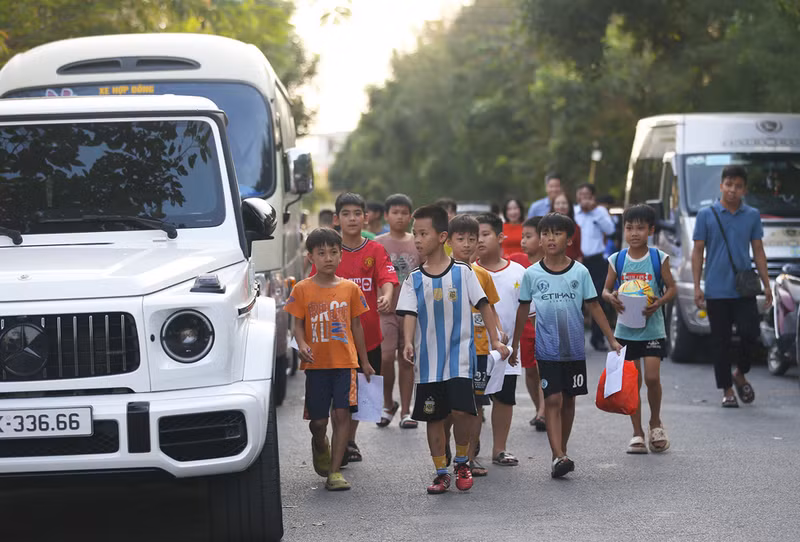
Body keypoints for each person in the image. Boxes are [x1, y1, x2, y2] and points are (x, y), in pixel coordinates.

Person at [397, 205, 509, 494]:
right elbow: (409, 314)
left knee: (462, 411)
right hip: (428, 362)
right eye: (415, 234)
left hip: (461, 358)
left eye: (423, 233)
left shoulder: (463, 272)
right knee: (434, 417)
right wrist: (407, 342)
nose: (417, 239)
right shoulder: (414, 279)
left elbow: (484, 305)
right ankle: (440, 473)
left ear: (442, 237)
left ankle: (461, 461)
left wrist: (496, 340)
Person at [511, 213, 620, 478]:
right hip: (546, 349)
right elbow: (523, 309)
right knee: (553, 399)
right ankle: (558, 454)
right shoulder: (532, 274)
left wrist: (611, 338)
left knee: (569, 400)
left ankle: (561, 451)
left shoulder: (580, 272)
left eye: (557, 233)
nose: (551, 238)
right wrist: (514, 344)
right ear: (540, 239)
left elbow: (594, 306)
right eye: (545, 233)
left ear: (569, 240)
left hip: (574, 349)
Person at [284, 228, 375, 491]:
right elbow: (296, 325)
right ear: (310, 257)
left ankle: (334, 472)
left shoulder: (350, 289)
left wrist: (365, 361)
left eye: (334, 252)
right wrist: (302, 344)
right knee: (319, 422)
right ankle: (319, 442)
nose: (328, 258)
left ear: (340, 255)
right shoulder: (302, 289)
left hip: (345, 363)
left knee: (342, 414)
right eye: (321, 253)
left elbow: (356, 326)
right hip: (316, 365)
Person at [313, 193, 398, 462]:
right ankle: (334, 442)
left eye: (357, 213)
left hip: (369, 338)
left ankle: (349, 441)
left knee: (361, 394)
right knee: (337, 397)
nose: (352, 219)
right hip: (334, 339)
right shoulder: (328, 252)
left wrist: (387, 295)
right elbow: (311, 287)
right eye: (346, 214)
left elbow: (387, 277)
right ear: (336, 219)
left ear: (366, 217)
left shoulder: (375, 250)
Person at [692, 165, 772, 407]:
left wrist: (767, 284)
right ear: (721, 186)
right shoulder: (706, 215)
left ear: (744, 190)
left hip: (743, 289)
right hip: (716, 290)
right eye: (728, 185)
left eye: (738, 186)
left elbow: (758, 250)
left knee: (751, 334)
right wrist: (697, 286)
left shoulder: (752, 215)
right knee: (721, 342)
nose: (732, 190)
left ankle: (740, 373)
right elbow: (697, 251)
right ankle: (727, 390)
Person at [603, 204, 677, 454]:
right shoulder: (617, 259)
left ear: (651, 230)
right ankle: (637, 432)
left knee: (652, 378)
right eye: (629, 228)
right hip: (626, 330)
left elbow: (672, 288)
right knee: (633, 382)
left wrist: (659, 302)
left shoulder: (658, 258)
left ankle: (655, 423)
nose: (634, 233)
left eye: (640, 228)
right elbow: (605, 290)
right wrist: (611, 298)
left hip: (653, 329)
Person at [446, 214, 502, 477]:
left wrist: (498, 335)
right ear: (448, 241)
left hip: (479, 351)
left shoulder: (482, 275)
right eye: (461, 239)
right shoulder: (440, 273)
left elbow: (490, 308)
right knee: (449, 407)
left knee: (476, 406)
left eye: (472, 239)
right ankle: (445, 449)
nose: (467, 244)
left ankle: (468, 458)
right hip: (449, 351)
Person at [476, 213, 527, 467]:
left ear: (500, 237)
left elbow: (525, 313)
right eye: (475, 236)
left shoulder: (518, 272)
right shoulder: (466, 272)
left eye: (485, 234)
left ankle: (499, 449)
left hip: (505, 351)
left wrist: (515, 345)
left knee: (505, 398)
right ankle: (469, 449)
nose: (479, 240)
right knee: (475, 400)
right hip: (474, 349)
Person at [376, 193, 420, 428]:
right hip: (385, 311)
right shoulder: (378, 243)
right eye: (395, 212)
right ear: (386, 215)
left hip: (411, 311)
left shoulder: (417, 242)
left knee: (407, 359)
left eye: (404, 213)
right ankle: (387, 403)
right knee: (385, 357)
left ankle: (406, 410)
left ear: (410, 216)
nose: (400, 217)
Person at [508, 216, 546, 431]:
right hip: (523, 328)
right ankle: (539, 408)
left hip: (544, 327)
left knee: (544, 369)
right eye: (522, 236)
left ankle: (544, 412)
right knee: (530, 372)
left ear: (542, 240)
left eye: (528, 236)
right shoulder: (515, 261)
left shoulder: (550, 264)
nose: (523, 241)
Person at [575, 182, 617, 351]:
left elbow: (611, 229)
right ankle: (575, 339)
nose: (584, 198)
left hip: (596, 260)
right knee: (575, 300)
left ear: (592, 197)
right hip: (576, 260)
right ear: (577, 196)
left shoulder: (600, 212)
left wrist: (594, 212)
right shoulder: (573, 212)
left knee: (598, 299)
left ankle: (598, 338)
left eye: (587, 195)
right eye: (581, 195)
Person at [552, 192, 583, 262]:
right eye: (557, 203)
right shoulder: (546, 227)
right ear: (553, 206)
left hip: (570, 265)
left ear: (569, 206)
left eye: (564, 203)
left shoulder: (576, 228)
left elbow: (578, 253)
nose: (561, 206)